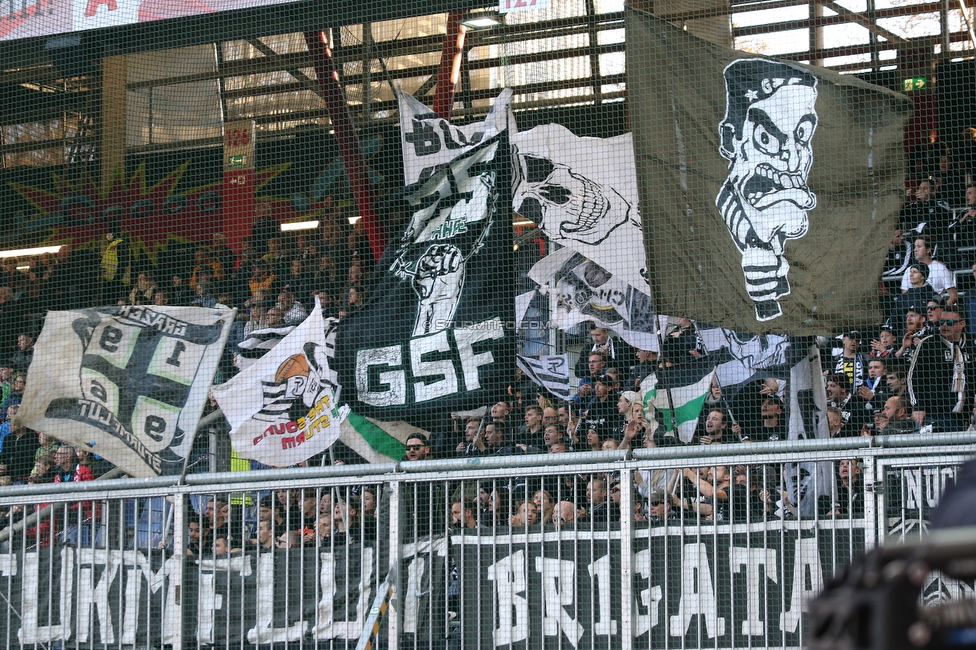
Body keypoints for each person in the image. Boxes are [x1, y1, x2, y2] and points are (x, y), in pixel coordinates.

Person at [906, 304, 976, 432]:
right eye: (941, 322)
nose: (944, 325)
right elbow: (913, 377)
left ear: (961, 324)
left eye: (949, 322)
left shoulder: (972, 345)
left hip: (962, 416)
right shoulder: (928, 344)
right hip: (932, 414)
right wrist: (917, 406)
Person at [900, 234, 957, 305]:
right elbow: (905, 295)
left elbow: (954, 296)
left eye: (919, 247)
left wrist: (940, 309)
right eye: (915, 247)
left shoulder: (940, 268)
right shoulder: (909, 270)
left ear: (928, 250)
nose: (915, 250)